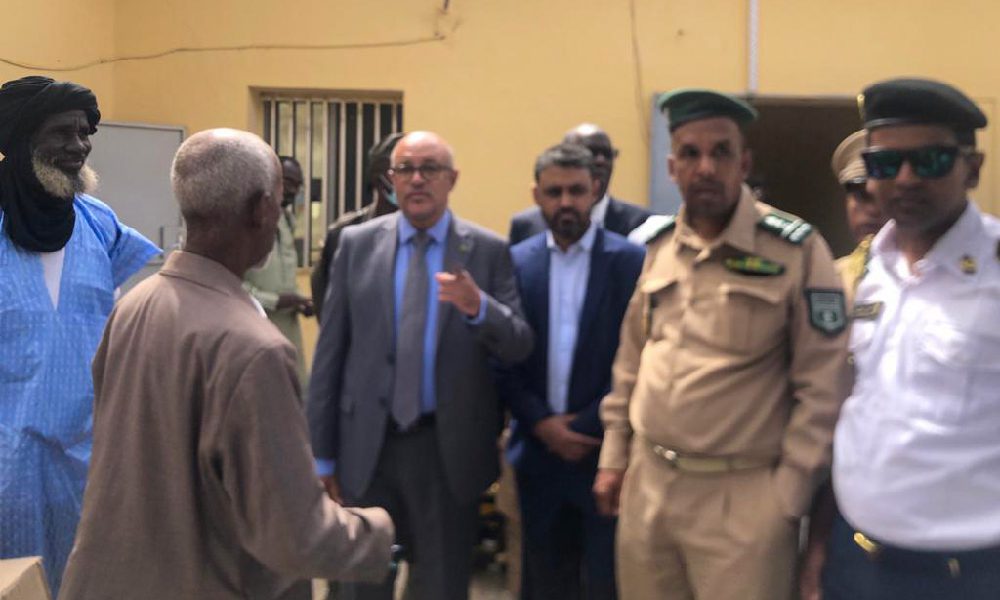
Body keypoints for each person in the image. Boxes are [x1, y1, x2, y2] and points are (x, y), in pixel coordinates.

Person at [60, 128, 395, 600]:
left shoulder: (135, 305)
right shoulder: (254, 349)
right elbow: (295, 534)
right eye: (278, 200)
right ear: (261, 209)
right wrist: (380, 531)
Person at [592, 88, 849, 600]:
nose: (705, 167)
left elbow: (824, 385)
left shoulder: (795, 251)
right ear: (673, 168)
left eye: (721, 152)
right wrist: (614, 456)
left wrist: (787, 496)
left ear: (743, 163)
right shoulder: (659, 246)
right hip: (649, 487)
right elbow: (632, 360)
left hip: (743, 500)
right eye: (690, 154)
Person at [307, 131, 534, 600]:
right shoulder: (356, 245)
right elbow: (330, 353)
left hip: (445, 451)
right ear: (391, 180)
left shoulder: (487, 251)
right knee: (358, 586)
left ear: (452, 179)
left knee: (441, 585)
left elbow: (519, 344)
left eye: (429, 169)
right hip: (365, 449)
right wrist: (322, 456)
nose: (416, 180)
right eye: (405, 169)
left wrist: (479, 307)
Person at [821, 78, 1000, 600]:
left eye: (930, 161)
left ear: (972, 168)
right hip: (855, 557)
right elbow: (859, 413)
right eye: (884, 164)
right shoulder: (870, 269)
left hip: (965, 576)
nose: (905, 178)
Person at [0, 75, 159, 595]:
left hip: (85, 459)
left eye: (85, 133)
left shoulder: (99, 225)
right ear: (21, 139)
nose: (79, 146)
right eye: (62, 133)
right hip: (7, 465)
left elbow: (113, 325)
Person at [499, 143, 644, 599]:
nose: (566, 202)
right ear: (536, 195)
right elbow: (502, 357)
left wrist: (582, 426)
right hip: (537, 454)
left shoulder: (630, 262)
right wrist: (542, 424)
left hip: (603, 453)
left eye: (577, 191)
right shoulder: (515, 262)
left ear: (595, 191)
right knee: (542, 583)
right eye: (554, 192)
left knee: (604, 582)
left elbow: (637, 356)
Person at [311, 132, 404, 318]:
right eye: (399, 171)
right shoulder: (344, 233)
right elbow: (325, 301)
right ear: (378, 176)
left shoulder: (425, 232)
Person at [508, 124, 649, 243]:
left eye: (607, 154)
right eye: (590, 152)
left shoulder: (641, 224)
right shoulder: (526, 225)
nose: (600, 161)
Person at [243, 155, 314, 381]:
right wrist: (274, 301)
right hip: (255, 330)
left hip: (288, 330)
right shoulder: (248, 222)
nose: (293, 190)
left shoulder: (287, 221)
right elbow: (230, 284)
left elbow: (284, 278)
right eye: (288, 182)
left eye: (298, 184)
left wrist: (300, 301)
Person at [829, 130, 887, 303]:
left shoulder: (937, 276)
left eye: (884, 198)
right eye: (862, 196)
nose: (874, 210)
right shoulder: (829, 278)